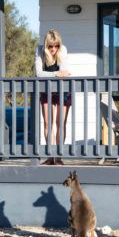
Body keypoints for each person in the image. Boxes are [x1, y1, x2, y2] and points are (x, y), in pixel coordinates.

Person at [35, 30, 71, 165]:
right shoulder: (39, 51)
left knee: (60, 123)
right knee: (48, 123)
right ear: (46, 46)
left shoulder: (63, 50)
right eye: (50, 46)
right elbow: (39, 74)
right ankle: (50, 157)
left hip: (63, 91)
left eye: (56, 46)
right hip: (46, 91)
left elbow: (65, 71)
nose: (54, 49)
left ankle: (58, 157)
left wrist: (58, 74)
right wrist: (56, 74)